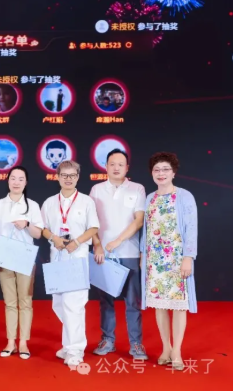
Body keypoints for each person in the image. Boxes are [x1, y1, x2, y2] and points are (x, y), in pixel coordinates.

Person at [140, 152, 197, 371]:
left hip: (176, 260)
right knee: (160, 305)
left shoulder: (184, 196)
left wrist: (188, 257)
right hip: (154, 261)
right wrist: (143, 257)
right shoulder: (149, 198)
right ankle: (166, 348)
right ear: (151, 173)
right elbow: (146, 231)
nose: (161, 173)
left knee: (179, 306)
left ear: (173, 172)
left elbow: (191, 229)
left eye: (165, 169)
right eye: (156, 170)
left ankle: (177, 351)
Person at [41, 160, 99, 368]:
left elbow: (93, 228)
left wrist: (77, 242)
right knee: (59, 304)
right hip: (57, 258)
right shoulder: (49, 202)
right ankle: (68, 345)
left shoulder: (86, 201)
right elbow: (42, 228)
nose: (68, 179)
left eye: (72, 175)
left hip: (77, 257)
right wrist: (54, 238)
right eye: (64, 175)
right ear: (57, 177)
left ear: (77, 177)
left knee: (74, 304)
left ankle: (75, 350)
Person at [90, 149, 148, 360]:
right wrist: (98, 245)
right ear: (105, 166)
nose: (116, 168)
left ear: (127, 168)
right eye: (112, 164)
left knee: (133, 301)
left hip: (129, 252)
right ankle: (108, 340)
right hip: (103, 254)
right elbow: (91, 222)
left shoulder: (137, 189)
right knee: (105, 301)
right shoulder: (96, 190)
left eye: (120, 164)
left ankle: (136, 344)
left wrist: (118, 241)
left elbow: (138, 221)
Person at [0, 166, 43, 360]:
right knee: (10, 302)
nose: (16, 182)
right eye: (13, 178)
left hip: (25, 259)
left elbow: (38, 234)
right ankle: (10, 341)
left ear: (26, 182)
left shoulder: (32, 206)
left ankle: (23, 343)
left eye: (21, 179)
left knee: (25, 302)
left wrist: (27, 224)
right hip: (5, 259)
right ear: (8, 180)